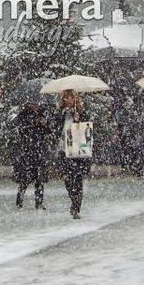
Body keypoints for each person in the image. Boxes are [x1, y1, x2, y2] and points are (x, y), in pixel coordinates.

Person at [56, 89, 92, 219]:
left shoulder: (82, 113)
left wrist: (78, 120)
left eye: (71, 98)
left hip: (78, 151)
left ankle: (76, 207)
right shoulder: (60, 114)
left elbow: (86, 130)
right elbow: (55, 129)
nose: (68, 100)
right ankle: (74, 201)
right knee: (68, 180)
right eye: (66, 98)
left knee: (77, 180)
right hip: (63, 150)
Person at [10, 102, 52, 209]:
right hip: (27, 151)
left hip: (39, 151)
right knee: (25, 180)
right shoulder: (23, 114)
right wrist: (33, 122)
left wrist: (44, 125)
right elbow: (21, 129)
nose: (35, 106)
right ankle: (19, 202)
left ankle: (39, 202)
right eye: (32, 104)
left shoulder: (42, 114)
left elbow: (48, 131)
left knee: (39, 180)